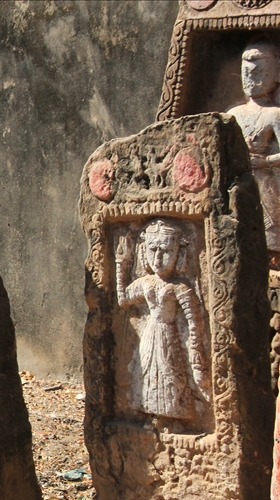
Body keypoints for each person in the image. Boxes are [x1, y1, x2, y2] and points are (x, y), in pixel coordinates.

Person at [116, 218, 209, 421]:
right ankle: (151, 418)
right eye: (152, 250)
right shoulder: (146, 283)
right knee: (146, 372)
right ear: (144, 251)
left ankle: (173, 419)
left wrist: (196, 353)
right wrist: (121, 264)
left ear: (179, 253)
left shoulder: (180, 288)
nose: (157, 258)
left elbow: (194, 322)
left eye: (165, 251)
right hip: (150, 335)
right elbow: (123, 299)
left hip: (169, 335)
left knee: (170, 373)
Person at [228, 40, 280, 266]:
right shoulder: (234, 114)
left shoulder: (274, 115)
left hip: (266, 183)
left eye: (259, 71)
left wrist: (266, 161)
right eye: (246, 71)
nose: (251, 77)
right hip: (238, 182)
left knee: (269, 235)